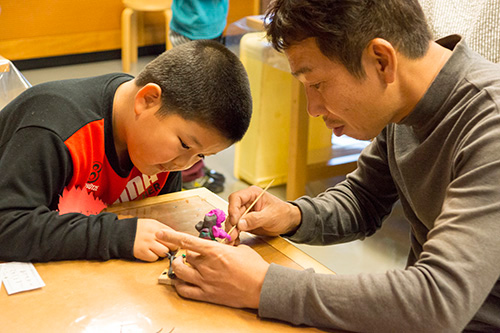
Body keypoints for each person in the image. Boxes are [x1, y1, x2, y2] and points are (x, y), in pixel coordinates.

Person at [155, 0, 500, 331]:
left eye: (317, 84)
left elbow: (436, 304)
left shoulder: (491, 125)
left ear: (381, 61)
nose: (313, 108)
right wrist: (292, 216)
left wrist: (262, 286)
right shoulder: (405, 100)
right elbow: (362, 199)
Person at [0, 40, 251, 263]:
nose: (184, 164)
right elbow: (7, 228)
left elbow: (156, 219)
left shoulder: (163, 153)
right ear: (147, 99)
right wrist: (117, 235)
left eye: (201, 155)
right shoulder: (54, 127)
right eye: (185, 145)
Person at [169, 0, 230, 193]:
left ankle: (195, 167)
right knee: (191, 107)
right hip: (190, 31)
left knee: (209, 103)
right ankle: (187, 174)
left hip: (213, 27)